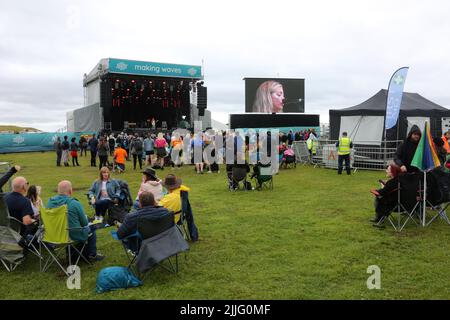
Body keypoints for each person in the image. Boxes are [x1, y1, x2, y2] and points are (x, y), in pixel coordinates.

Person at [47, 180, 104, 262]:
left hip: (53, 235)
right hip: (71, 235)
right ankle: (92, 255)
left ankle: (78, 254)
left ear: (58, 191)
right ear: (70, 191)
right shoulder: (74, 203)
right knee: (91, 227)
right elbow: (84, 223)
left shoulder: (50, 202)